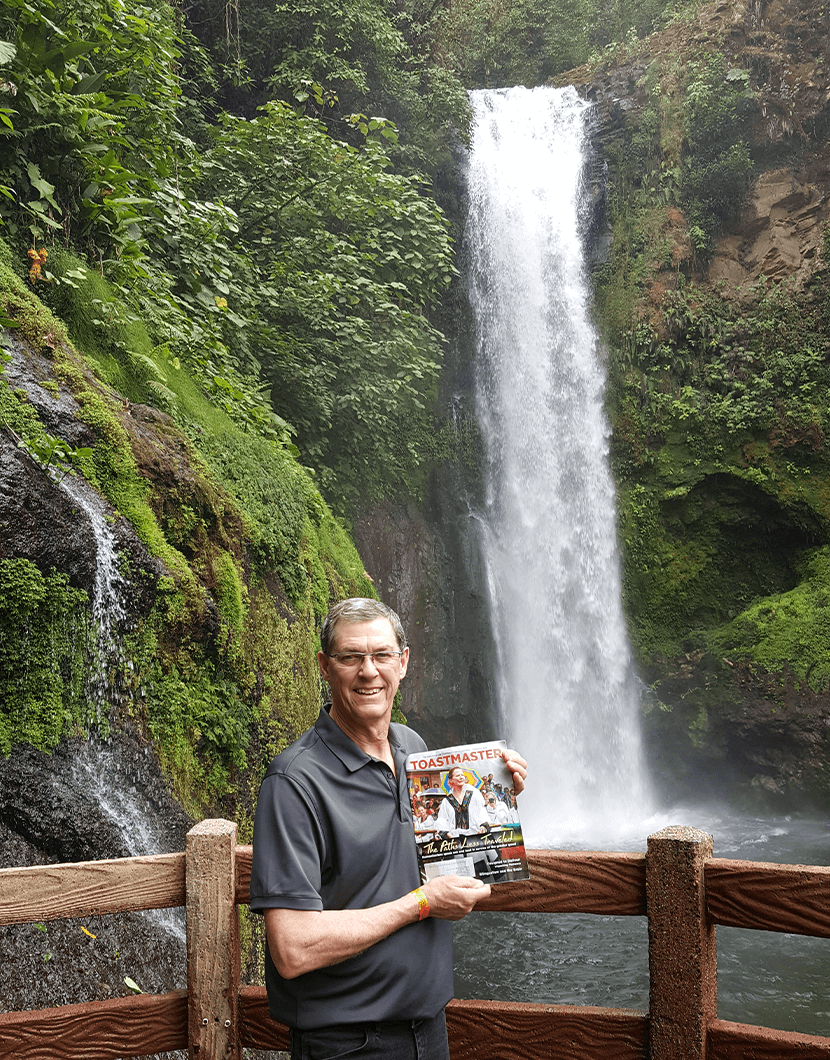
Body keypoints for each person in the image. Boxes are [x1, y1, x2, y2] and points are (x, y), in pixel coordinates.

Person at [249, 597, 527, 1060]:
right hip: (348, 1043)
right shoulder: (293, 782)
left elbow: (443, 854)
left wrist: (498, 799)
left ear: (404, 662)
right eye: (350, 657)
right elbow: (292, 949)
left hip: (429, 1029)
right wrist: (421, 905)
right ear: (324, 666)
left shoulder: (412, 751)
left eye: (381, 655)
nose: (368, 671)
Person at [434, 766, 489, 832]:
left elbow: (482, 813)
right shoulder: (447, 801)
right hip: (455, 838)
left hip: (474, 836)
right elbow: (442, 820)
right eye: (457, 775)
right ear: (451, 780)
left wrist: (483, 826)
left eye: (462, 775)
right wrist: (447, 834)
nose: (461, 777)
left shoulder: (474, 795)